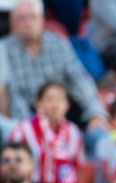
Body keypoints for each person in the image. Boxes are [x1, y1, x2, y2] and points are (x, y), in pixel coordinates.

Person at [8, 81, 114, 183]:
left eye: (60, 99)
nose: (55, 104)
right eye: (49, 99)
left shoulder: (73, 132)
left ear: (67, 105)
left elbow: (79, 169)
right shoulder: (22, 130)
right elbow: (11, 168)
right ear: (38, 103)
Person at [1, 0, 107, 132]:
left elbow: (79, 79)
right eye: (21, 18)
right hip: (26, 118)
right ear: (12, 23)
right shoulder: (3, 49)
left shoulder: (58, 43)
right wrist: (29, 129)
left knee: (99, 134)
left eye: (33, 17)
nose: (27, 23)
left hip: (64, 112)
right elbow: (11, 93)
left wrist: (95, 113)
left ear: (42, 20)